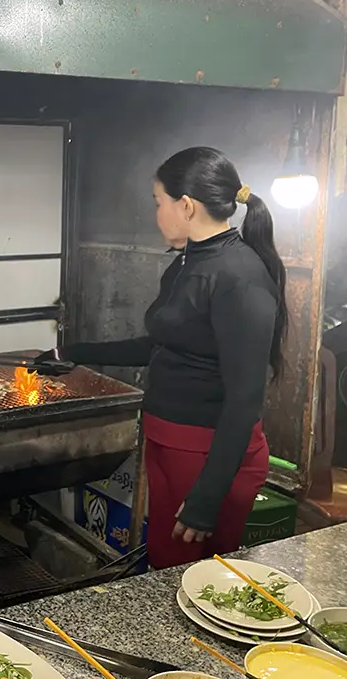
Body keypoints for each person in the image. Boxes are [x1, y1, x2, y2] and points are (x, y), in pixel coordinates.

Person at [44, 147, 287, 569]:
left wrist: (206, 500)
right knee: (165, 561)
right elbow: (162, 342)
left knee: (196, 575)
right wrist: (72, 354)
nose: (156, 214)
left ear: (186, 205)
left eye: (159, 202)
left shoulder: (238, 277)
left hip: (208, 453)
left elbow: (245, 398)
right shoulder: (188, 263)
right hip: (169, 439)